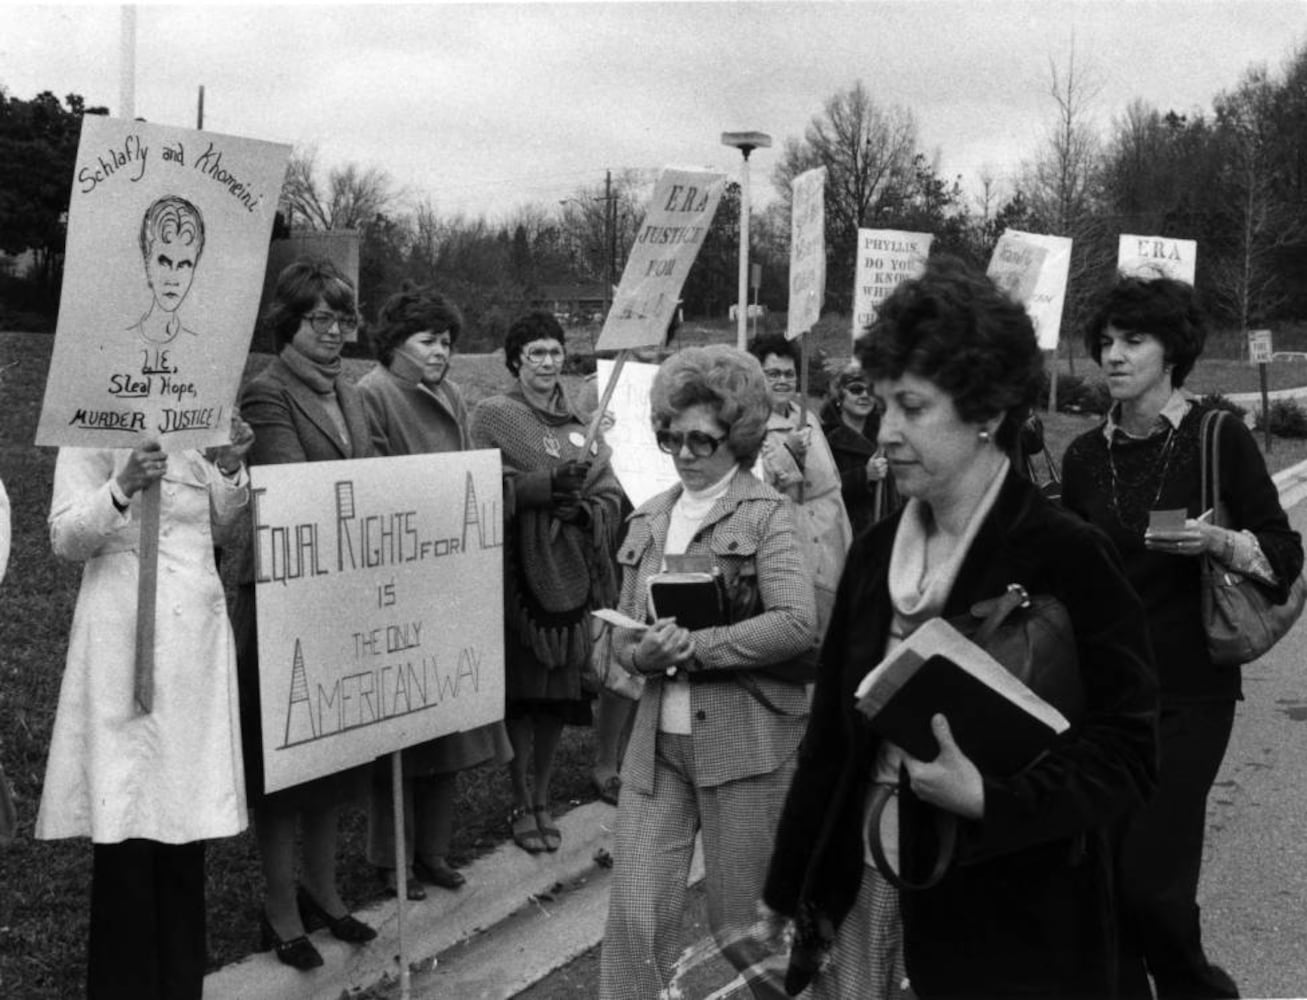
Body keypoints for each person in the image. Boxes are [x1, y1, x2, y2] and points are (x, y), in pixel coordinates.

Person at [763, 257, 1159, 1000]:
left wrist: (988, 800)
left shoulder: (1064, 554)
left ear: (984, 410)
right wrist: (789, 891)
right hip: (863, 895)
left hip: (1009, 917)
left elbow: (1129, 752)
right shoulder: (874, 553)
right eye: (880, 406)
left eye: (910, 408)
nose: (883, 434)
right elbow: (828, 743)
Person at [1061, 275, 1304, 999]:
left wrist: (1215, 543)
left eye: (1131, 341)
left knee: (1151, 888)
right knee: (1101, 888)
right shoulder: (1079, 457)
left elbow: (1283, 554)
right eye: (1104, 341)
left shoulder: (1215, 436)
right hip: (1101, 700)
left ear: (1170, 352)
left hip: (1190, 694)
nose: (1113, 355)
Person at [599, 344, 818, 1000]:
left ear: (739, 437)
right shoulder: (649, 516)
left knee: (744, 926)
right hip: (655, 748)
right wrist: (641, 654)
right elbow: (621, 639)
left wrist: (698, 648)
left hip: (745, 747)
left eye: (702, 439)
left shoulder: (767, 514)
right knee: (637, 917)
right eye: (671, 438)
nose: (686, 452)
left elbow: (795, 624)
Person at [35, 422, 253, 999]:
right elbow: (65, 539)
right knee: (128, 817)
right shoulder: (92, 421)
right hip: (123, 630)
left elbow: (223, 523)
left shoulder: (198, 411)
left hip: (191, 637)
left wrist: (228, 466)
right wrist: (121, 486)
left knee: (184, 818)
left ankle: (181, 985)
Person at [233, 257, 377, 970]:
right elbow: (295, 487)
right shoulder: (267, 393)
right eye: (319, 319)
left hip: (341, 593)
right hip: (283, 599)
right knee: (287, 762)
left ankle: (324, 889)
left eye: (343, 319)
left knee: (335, 750)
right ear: (288, 323)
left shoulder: (348, 394)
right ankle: (279, 906)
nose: (333, 333)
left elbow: (373, 474)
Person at [355, 282, 512, 898]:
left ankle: (434, 851)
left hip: (453, 571)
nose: (441, 351)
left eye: (447, 341)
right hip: (403, 576)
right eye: (428, 340)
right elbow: (375, 483)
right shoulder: (373, 395)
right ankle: (389, 857)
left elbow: (472, 467)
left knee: (448, 716)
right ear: (395, 344)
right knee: (401, 728)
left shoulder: (448, 393)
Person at [469, 311, 623, 854]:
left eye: (555, 352)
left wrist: (585, 511)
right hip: (518, 578)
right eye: (535, 352)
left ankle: (542, 796)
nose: (547, 362)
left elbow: (609, 493)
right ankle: (518, 799)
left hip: (573, 575)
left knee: (558, 698)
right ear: (515, 359)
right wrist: (540, 488)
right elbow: (478, 482)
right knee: (524, 696)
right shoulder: (494, 415)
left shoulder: (581, 425)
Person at [747, 333, 851, 637]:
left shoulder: (810, 419)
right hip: (792, 548)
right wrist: (789, 451)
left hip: (832, 545)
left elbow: (831, 483)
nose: (783, 381)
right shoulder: (749, 426)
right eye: (773, 374)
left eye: (789, 374)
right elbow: (760, 487)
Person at [819, 361, 899, 537]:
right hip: (842, 533)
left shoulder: (886, 435)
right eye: (856, 389)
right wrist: (864, 476)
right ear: (840, 396)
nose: (864, 395)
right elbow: (821, 490)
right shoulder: (824, 439)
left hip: (884, 531)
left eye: (870, 390)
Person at [129, 194, 205, 345]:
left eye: (184, 265)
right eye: (165, 263)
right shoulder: (119, 339)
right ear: (147, 264)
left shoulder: (198, 345)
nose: (173, 279)